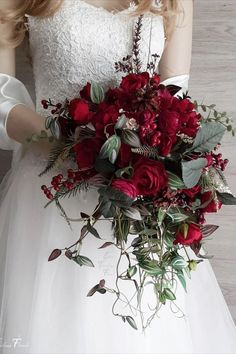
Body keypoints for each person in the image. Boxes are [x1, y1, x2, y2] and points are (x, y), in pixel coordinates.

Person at [0, 0, 236, 353]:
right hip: (52, 193)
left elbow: (174, 100)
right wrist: (72, 142)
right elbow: (1, 98)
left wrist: (158, 157)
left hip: (139, 197)